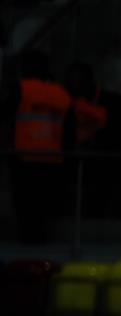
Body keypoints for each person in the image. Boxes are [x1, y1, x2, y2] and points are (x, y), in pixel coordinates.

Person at [8, 50, 72, 244]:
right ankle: (41, 244)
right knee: (44, 209)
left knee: (26, 209)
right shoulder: (62, 94)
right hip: (52, 160)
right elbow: (69, 131)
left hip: (24, 158)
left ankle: (29, 246)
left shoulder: (21, 89)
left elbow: (7, 118)